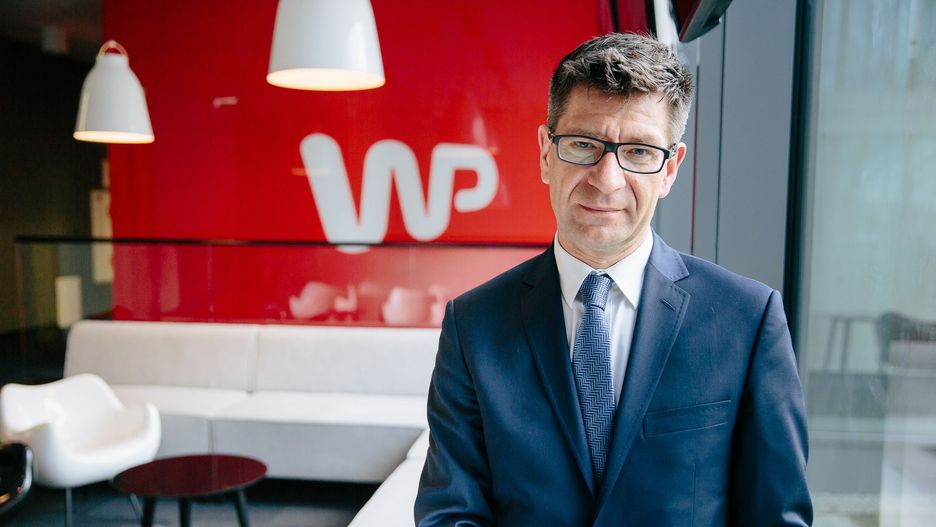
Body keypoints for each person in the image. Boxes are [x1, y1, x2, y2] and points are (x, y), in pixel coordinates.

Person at [415, 32, 812, 526]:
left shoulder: (747, 321)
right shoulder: (473, 326)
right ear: (545, 153)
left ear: (670, 169)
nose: (606, 180)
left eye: (639, 152)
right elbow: (451, 514)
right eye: (583, 145)